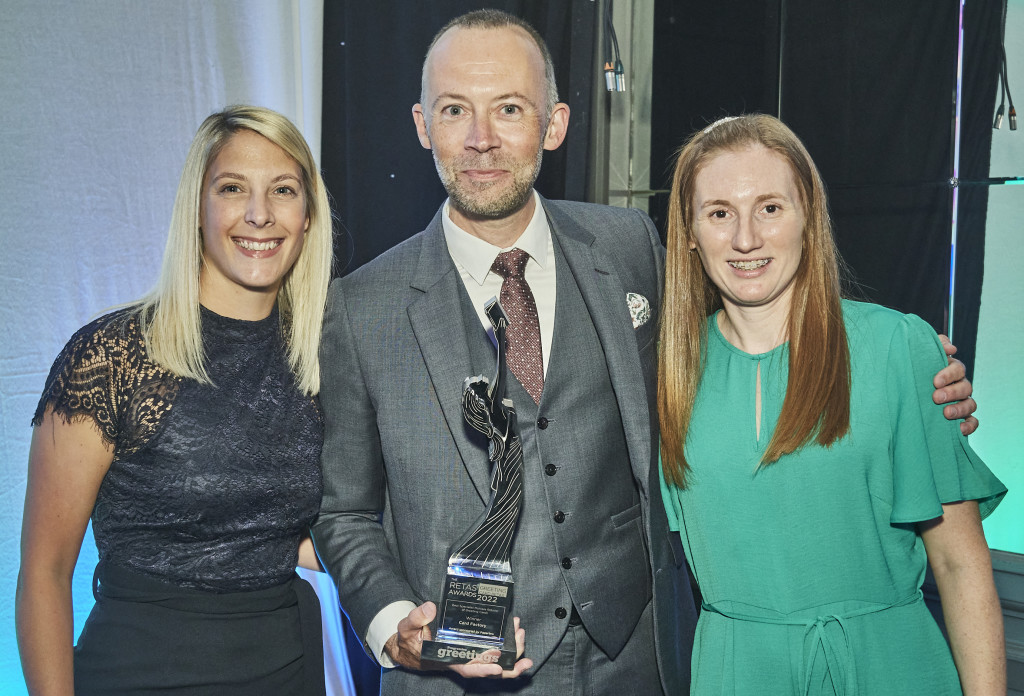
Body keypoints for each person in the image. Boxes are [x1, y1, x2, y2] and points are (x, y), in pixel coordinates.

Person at [311, 10, 979, 696]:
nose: (481, 139)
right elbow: (344, 511)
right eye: (456, 110)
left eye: (509, 108)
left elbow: (744, 334)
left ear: (555, 123)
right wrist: (396, 624)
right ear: (423, 125)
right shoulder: (361, 309)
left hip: (640, 666)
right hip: (456, 678)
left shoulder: (629, 249)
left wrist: (899, 372)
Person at [658, 114, 1006, 695]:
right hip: (740, 675)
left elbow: (959, 565)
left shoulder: (898, 348)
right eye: (719, 213)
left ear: (807, 218)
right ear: (690, 231)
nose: (746, 238)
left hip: (894, 670)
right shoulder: (664, 374)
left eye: (771, 207)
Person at [16, 105, 334, 695]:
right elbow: (44, 573)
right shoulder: (110, 357)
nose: (259, 214)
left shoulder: (323, 360)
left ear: (308, 216)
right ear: (198, 209)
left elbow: (301, 531)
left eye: (283, 190)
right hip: (141, 672)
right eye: (233, 188)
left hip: (284, 668)